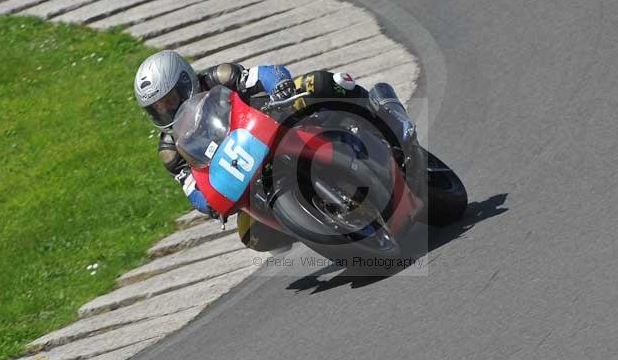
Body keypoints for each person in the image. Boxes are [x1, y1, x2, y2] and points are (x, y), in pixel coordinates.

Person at [133, 50, 415, 251]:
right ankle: (314, 225)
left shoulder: (218, 78)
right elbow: (192, 188)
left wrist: (279, 87)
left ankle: (388, 118)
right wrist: (206, 203)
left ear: (185, 82)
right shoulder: (170, 148)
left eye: (170, 100)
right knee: (251, 236)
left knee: (326, 82)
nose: (167, 110)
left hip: (276, 120)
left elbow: (266, 73)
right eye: (158, 109)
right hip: (242, 168)